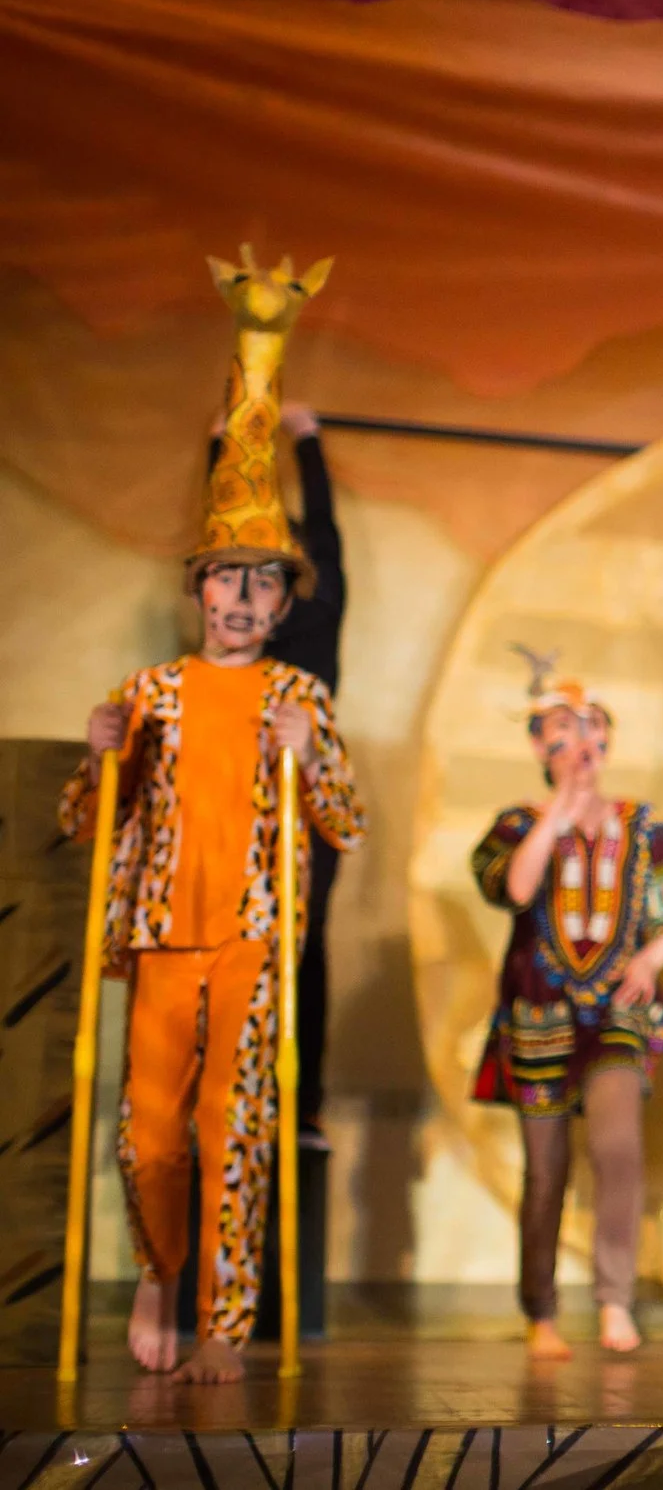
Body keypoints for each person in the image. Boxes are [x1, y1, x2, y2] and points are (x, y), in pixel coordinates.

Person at [59, 249, 364, 1384]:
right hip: (159, 934)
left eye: (263, 581)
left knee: (232, 1126)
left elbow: (346, 818)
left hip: (252, 935)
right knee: (150, 1131)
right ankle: (159, 1269)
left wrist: (308, 757)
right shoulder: (147, 691)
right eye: (226, 577)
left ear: (285, 604)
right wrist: (100, 758)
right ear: (197, 587)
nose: (241, 597)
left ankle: (226, 1317)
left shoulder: (299, 694)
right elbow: (85, 821)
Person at [470, 654, 663, 1361]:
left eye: (592, 727)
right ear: (540, 746)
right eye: (563, 731)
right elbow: (515, 889)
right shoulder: (517, 822)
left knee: (617, 1146)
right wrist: (557, 816)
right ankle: (541, 1310)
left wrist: (648, 960)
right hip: (538, 1012)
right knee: (546, 1172)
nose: (581, 743)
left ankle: (614, 1299)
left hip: (617, 1011)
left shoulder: (641, 825)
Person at [211, 400, 347, 1129]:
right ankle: (226, 1097)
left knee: (305, 942)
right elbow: (221, 529)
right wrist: (223, 452)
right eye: (246, 573)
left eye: (271, 575)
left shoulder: (319, 616)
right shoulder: (235, 636)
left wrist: (307, 440)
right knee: (230, 940)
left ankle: (302, 1106)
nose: (254, 588)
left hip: (308, 795)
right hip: (238, 795)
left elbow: (325, 532)